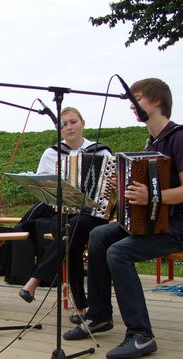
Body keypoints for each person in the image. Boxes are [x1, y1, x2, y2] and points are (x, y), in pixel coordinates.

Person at [63, 78, 183, 359]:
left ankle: (141, 335)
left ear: (157, 101)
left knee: (119, 252)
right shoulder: (153, 141)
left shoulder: (181, 137)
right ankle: (99, 315)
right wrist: (122, 188)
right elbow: (147, 189)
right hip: (157, 218)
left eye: (137, 98)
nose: (131, 104)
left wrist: (151, 196)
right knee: (99, 235)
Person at [18, 107, 112, 326]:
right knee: (70, 233)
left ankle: (35, 280)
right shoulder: (51, 154)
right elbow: (42, 190)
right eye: (64, 124)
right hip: (60, 212)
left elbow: (110, 191)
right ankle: (81, 307)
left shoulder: (101, 152)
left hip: (93, 215)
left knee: (71, 229)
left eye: (73, 122)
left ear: (82, 123)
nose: (69, 127)